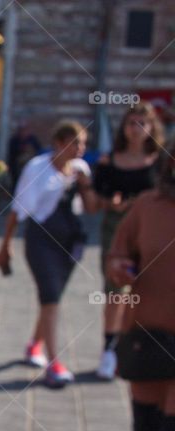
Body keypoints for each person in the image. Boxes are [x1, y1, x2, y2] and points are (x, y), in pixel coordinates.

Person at [107, 141, 175, 431]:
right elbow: (119, 252)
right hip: (148, 332)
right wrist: (120, 268)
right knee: (147, 430)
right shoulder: (147, 207)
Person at [0, 121, 101, 388]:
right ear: (58, 142)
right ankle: (55, 363)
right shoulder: (37, 168)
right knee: (51, 296)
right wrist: (5, 244)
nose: (80, 149)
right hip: (41, 240)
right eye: (75, 142)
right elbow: (18, 208)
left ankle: (34, 345)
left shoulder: (80, 169)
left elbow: (90, 209)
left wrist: (86, 185)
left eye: (83, 143)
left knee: (51, 300)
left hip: (70, 242)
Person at [92, 104, 162, 380]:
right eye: (131, 123)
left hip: (151, 233)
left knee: (146, 290)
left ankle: (134, 346)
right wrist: (113, 203)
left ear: (151, 127)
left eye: (142, 123)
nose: (136, 128)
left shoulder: (160, 162)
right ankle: (109, 349)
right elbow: (96, 200)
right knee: (115, 289)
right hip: (117, 229)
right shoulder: (111, 161)